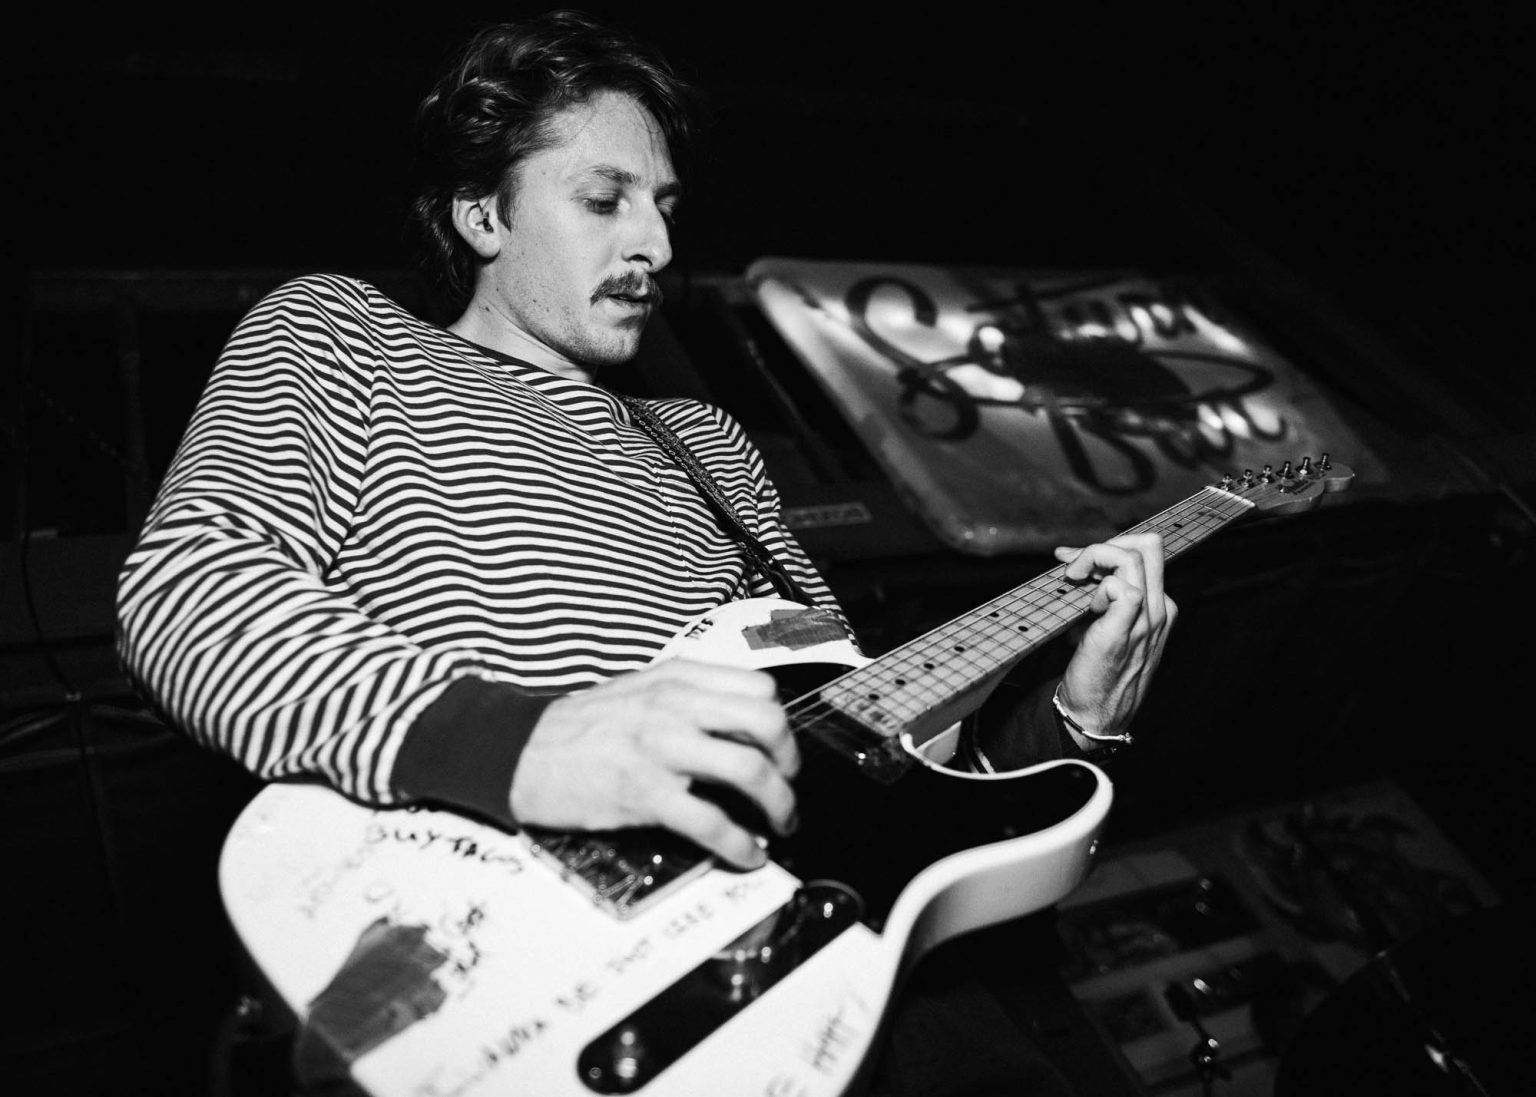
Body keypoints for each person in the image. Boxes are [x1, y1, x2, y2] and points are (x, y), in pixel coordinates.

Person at [115, 9, 1174, 1094]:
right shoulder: (346, 334)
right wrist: (527, 741)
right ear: (482, 211)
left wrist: (1069, 720)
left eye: (665, 206)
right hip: (530, 964)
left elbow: (878, 755)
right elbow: (192, 588)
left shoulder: (708, 440)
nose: (658, 246)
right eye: (603, 199)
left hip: (875, 982)